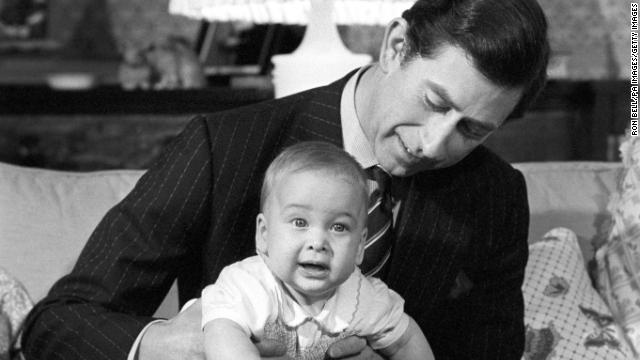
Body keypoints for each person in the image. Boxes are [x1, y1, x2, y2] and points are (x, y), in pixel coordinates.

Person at [21, 0, 550, 359]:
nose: (434, 145)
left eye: (472, 130)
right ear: (395, 46)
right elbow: (57, 324)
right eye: (435, 103)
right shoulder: (223, 146)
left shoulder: (496, 195)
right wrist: (170, 344)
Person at [200, 141, 433, 360]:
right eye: (300, 222)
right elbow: (222, 332)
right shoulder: (249, 285)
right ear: (264, 234)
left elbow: (405, 340)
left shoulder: (363, 297)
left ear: (360, 245)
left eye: (338, 227)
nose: (318, 242)